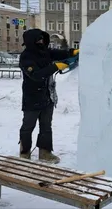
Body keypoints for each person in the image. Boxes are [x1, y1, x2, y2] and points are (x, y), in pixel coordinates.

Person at [18, 28, 79, 164]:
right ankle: (24, 152)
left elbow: (60, 54)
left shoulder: (45, 52)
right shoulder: (26, 57)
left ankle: (45, 152)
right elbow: (36, 75)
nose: (41, 41)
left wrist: (72, 52)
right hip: (32, 98)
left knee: (46, 126)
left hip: (47, 96)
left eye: (42, 39)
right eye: (38, 39)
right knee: (28, 126)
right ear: (31, 41)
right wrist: (55, 67)